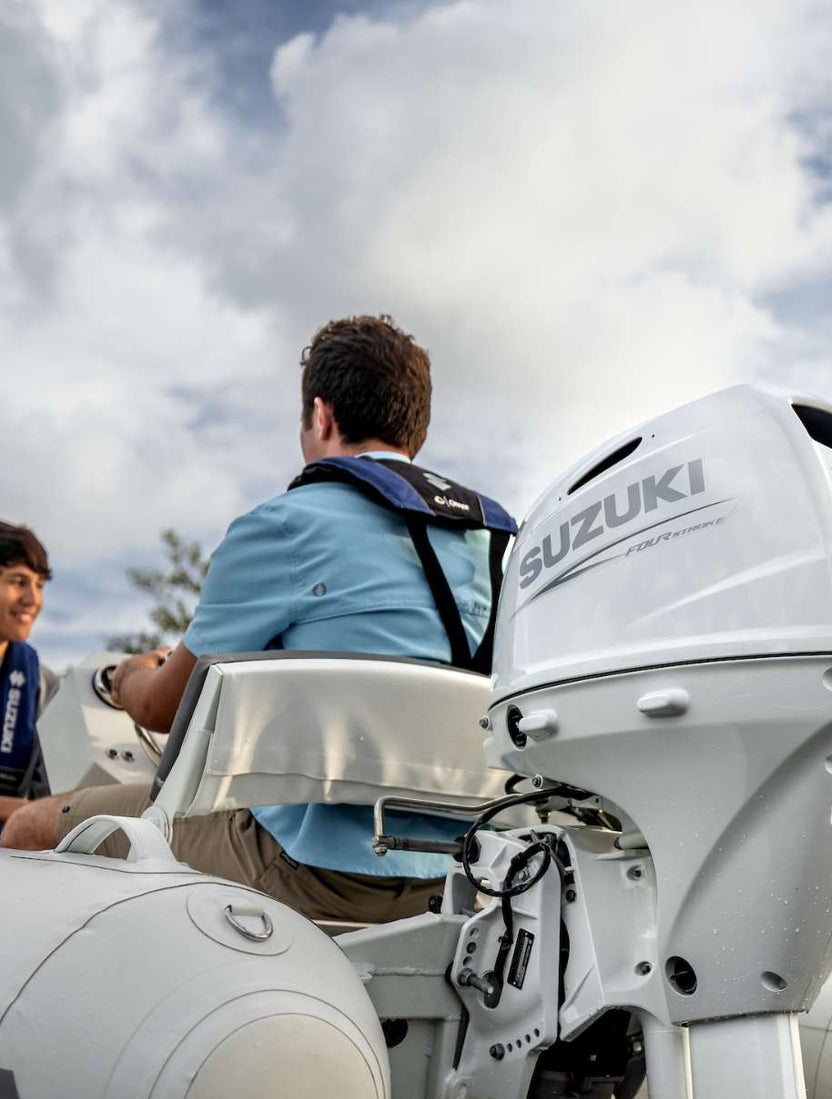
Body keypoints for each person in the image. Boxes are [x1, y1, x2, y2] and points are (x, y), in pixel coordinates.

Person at [3, 316, 516, 922]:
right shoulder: (495, 546)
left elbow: (163, 711)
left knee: (31, 830)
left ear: (320, 416)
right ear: (416, 435)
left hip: (309, 867)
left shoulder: (284, 526)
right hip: (465, 874)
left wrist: (125, 679)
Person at [0, 522, 58, 824]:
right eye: (19, 581)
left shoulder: (42, 685)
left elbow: (48, 786)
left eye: (39, 585)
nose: (33, 600)